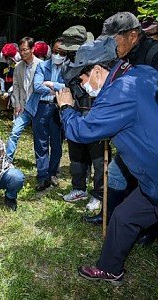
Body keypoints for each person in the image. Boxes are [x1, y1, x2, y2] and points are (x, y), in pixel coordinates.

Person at [56, 37, 158, 285]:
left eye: (82, 78)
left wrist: (66, 108)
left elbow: (82, 131)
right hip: (150, 181)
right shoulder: (141, 72)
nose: (82, 85)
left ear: (98, 71)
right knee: (124, 216)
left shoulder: (119, 91)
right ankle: (110, 268)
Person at [84, 12, 158, 244]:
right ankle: (111, 217)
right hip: (132, 132)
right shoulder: (125, 57)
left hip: (148, 139)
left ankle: (146, 229)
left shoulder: (153, 56)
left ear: (133, 35)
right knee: (117, 174)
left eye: (113, 39)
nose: (109, 45)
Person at [59, 25, 106, 211]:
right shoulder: (68, 65)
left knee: (99, 160)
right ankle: (79, 188)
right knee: (76, 156)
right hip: (76, 113)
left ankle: (99, 194)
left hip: (96, 117)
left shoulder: (100, 63)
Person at [32, 38, 66, 191]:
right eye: (55, 51)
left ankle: (53, 173)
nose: (58, 55)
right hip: (42, 107)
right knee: (41, 143)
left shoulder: (68, 68)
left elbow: (67, 87)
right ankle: (42, 175)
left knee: (57, 144)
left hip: (59, 108)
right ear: (51, 50)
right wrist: (56, 90)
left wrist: (51, 84)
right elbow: (37, 86)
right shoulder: (42, 66)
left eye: (61, 53)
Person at [6, 37, 42, 162]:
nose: (22, 53)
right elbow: (15, 86)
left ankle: (41, 163)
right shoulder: (18, 67)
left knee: (39, 137)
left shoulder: (41, 65)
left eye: (25, 50)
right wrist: (16, 104)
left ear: (32, 49)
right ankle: (7, 160)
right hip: (23, 106)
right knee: (14, 132)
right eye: (20, 50)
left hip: (38, 106)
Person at [0, 43, 21, 118]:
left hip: (14, 86)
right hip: (5, 85)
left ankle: (15, 117)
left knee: (14, 101)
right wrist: (2, 88)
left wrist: (11, 89)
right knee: (0, 97)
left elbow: (19, 79)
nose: (8, 60)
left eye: (9, 58)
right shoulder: (6, 66)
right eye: (7, 58)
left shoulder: (18, 66)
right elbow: (2, 76)